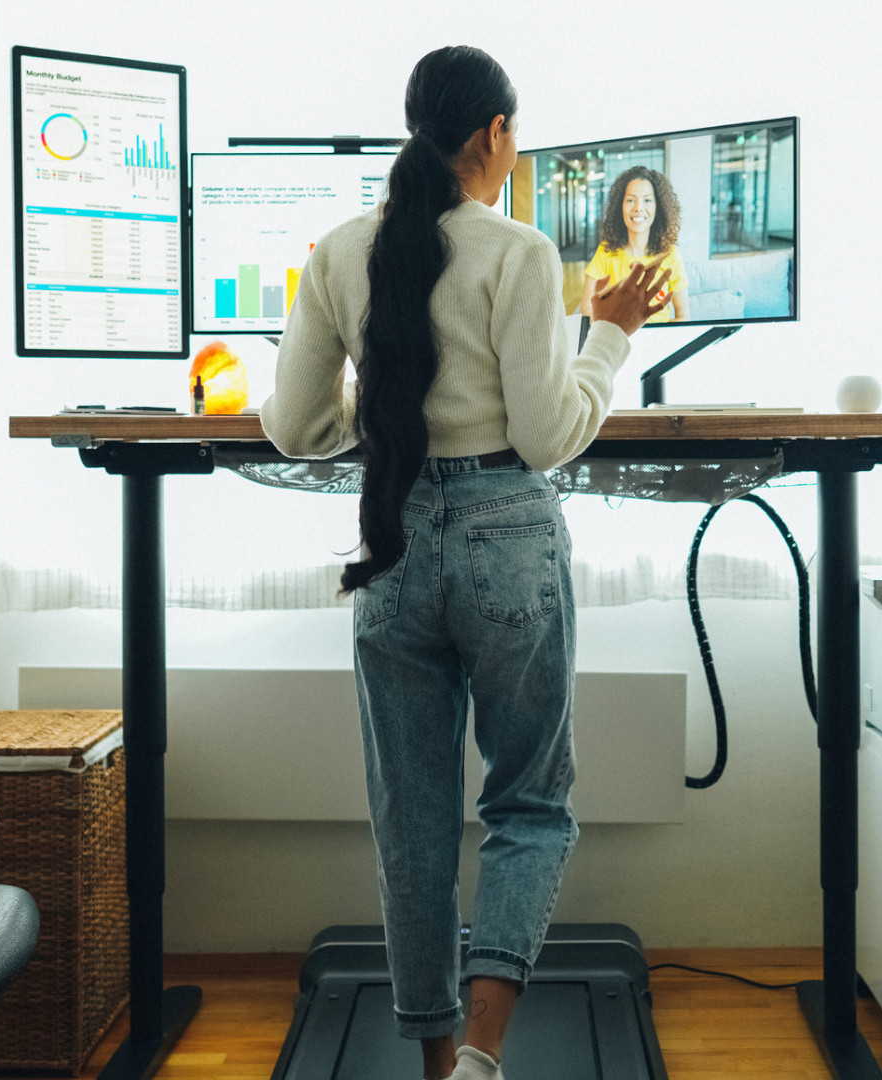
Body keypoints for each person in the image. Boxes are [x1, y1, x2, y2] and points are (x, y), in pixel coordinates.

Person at [259, 46, 668, 1080]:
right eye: (514, 132)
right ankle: (483, 1061)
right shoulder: (519, 252)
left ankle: (438, 1064)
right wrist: (608, 337)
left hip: (395, 540)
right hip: (507, 541)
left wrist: (387, 403)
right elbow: (544, 434)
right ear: (492, 135)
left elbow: (296, 427)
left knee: (413, 820)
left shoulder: (340, 251)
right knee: (527, 803)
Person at [580, 165, 688, 323]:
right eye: (630, 200)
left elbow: (683, 316)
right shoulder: (606, 251)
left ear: (658, 208)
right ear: (620, 207)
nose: (638, 208)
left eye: (647, 200)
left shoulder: (670, 255)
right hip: (616, 340)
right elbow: (587, 309)